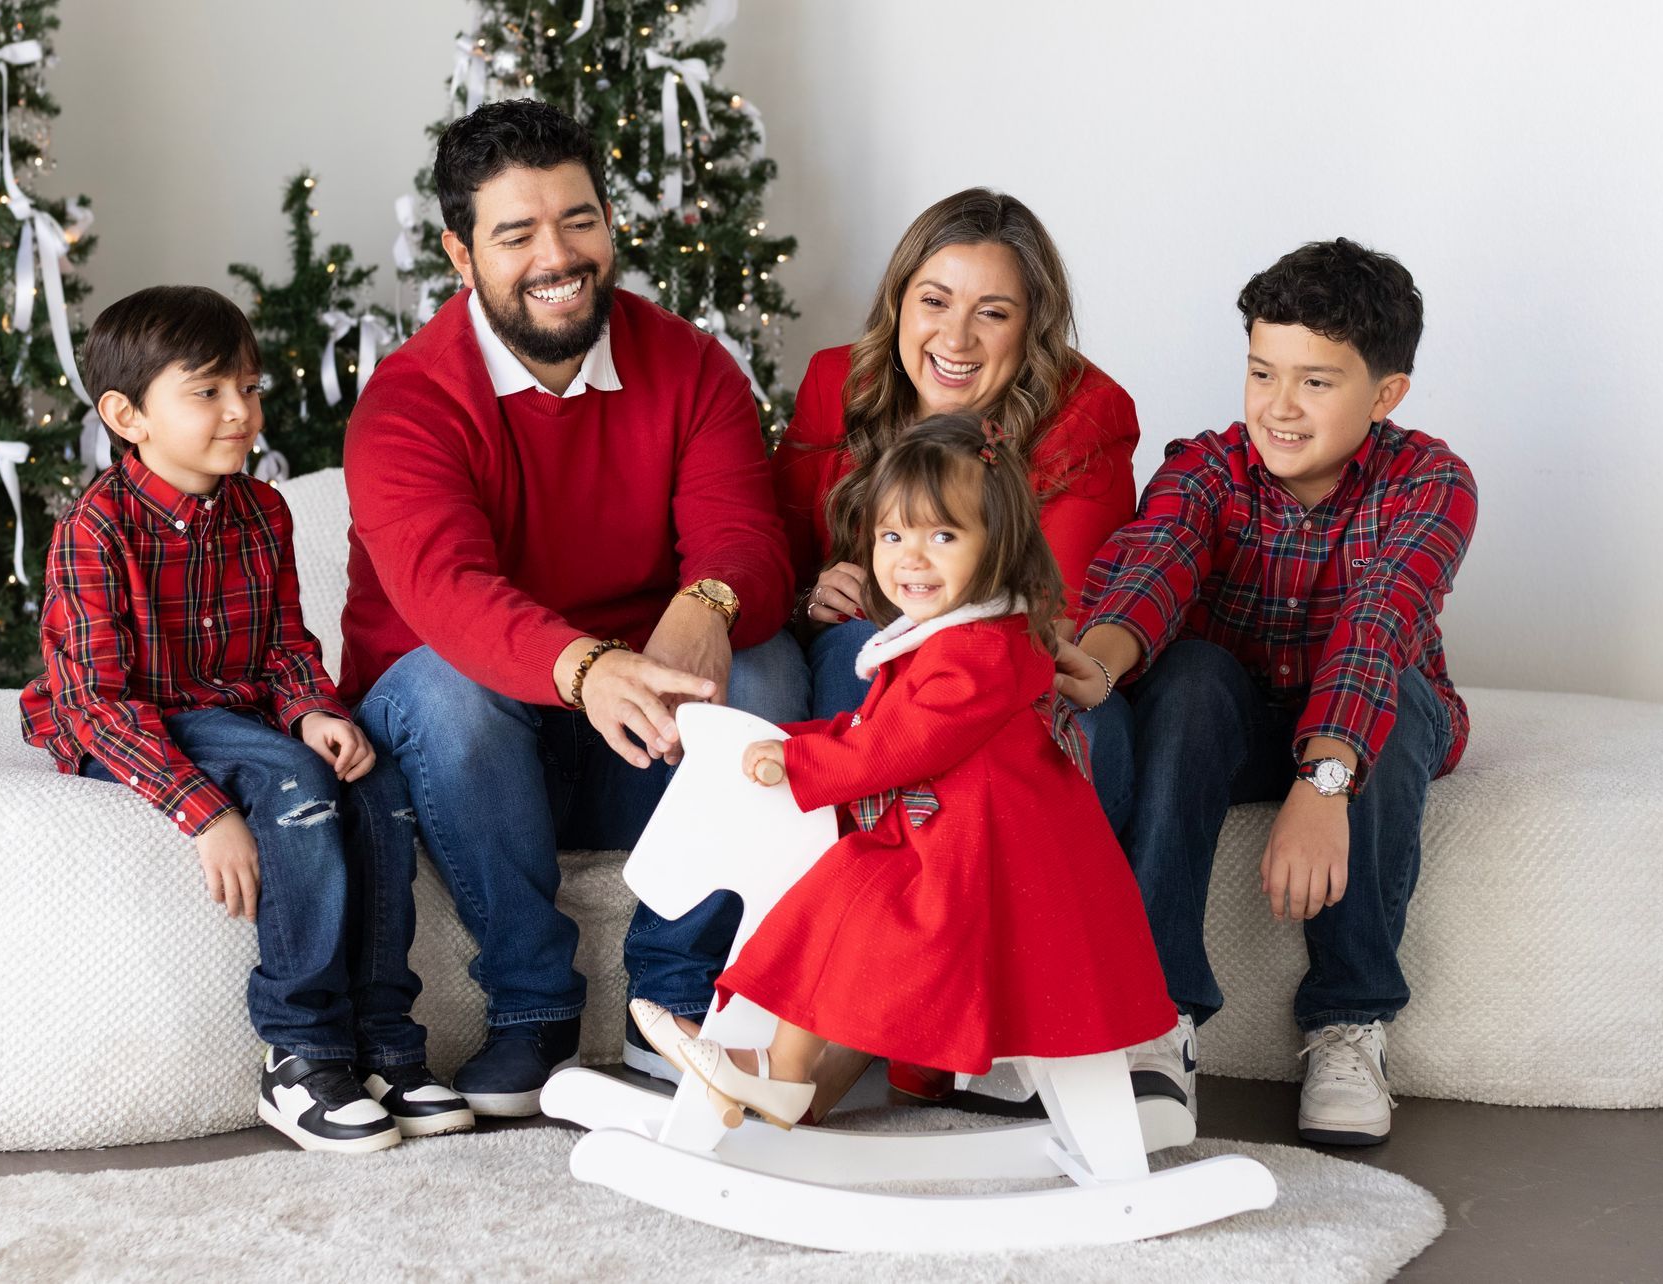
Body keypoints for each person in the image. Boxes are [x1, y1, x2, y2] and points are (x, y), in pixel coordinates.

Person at [341, 99, 805, 1118]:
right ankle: (530, 1009)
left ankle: (676, 1002)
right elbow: (446, 595)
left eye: (579, 220)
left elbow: (747, 539)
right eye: (517, 233)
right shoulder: (409, 403)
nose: (558, 255)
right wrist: (592, 667)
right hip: (476, 754)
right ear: (462, 254)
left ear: (608, 222)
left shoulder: (690, 367)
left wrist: (710, 600)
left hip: (642, 747)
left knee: (767, 667)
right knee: (446, 688)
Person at [631, 414, 1175, 1126]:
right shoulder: (946, 637)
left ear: (998, 548)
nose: (910, 560)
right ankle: (786, 1076)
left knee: (841, 900)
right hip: (945, 837)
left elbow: (902, 746)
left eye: (942, 537)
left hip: (991, 865)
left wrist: (799, 763)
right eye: (894, 537)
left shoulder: (983, 651)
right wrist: (783, 738)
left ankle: (780, 1072)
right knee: (829, 897)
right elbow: (872, 728)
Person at [21, 286, 465, 1154]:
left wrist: (312, 710)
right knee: (290, 785)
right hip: (138, 718)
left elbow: (283, 647)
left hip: (236, 706)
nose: (240, 412)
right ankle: (300, 1052)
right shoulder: (94, 529)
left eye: (250, 389)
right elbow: (95, 704)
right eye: (209, 391)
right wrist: (205, 811)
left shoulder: (262, 512)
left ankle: (386, 1041)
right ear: (126, 414)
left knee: (367, 773)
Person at [1060, 238, 1478, 1145]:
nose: (1279, 408)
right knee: (1192, 675)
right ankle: (1156, 1016)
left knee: (1400, 696)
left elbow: (1377, 624)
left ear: (1386, 394)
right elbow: (1153, 565)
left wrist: (1324, 783)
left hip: (1368, 718)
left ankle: (1348, 1019)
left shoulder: (1432, 484)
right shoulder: (1207, 468)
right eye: (1262, 373)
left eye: (1317, 383)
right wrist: (1095, 663)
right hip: (1235, 719)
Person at [772, 188, 1142, 1104]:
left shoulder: (1088, 413)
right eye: (935, 300)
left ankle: (911, 1030)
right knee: (838, 649)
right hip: (863, 659)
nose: (958, 336)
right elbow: (772, 541)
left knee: (1053, 739)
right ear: (899, 301)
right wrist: (811, 586)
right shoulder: (836, 384)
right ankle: (828, 1037)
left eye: (994, 311)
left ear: (1034, 329)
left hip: (1003, 676)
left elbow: (1049, 610)